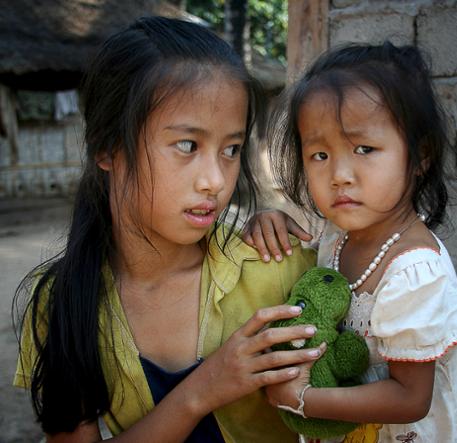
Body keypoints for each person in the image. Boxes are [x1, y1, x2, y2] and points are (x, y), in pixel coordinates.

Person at [12, 17, 323, 443]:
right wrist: (199, 393)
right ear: (107, 147)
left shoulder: (275, 272)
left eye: (231, 149)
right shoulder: (62, 300)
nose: (215, 180)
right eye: (187, 145)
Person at [243, 42, 457, 442]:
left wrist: (304, 400)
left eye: (364, 149)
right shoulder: (337, 236)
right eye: (320, 155)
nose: (340, 175)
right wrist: (268, 223)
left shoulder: (414, 272)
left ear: (421, 156)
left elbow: (410, 398)